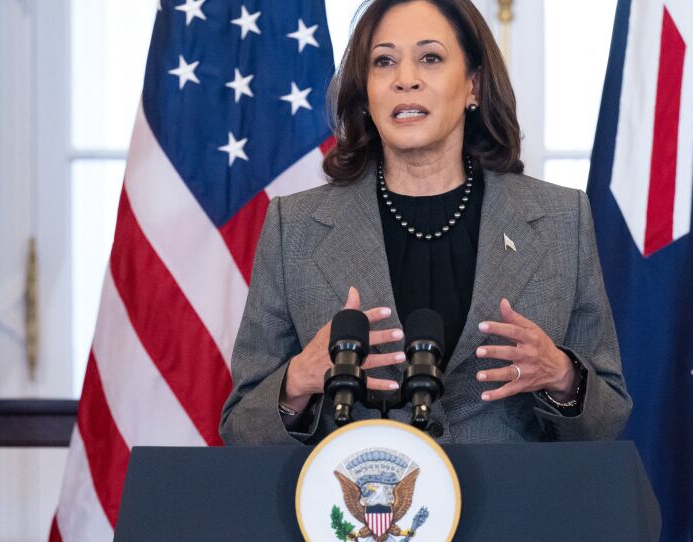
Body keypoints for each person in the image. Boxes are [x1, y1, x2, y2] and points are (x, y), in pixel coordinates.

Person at [219, 0, 631, 445]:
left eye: (430, 58)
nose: (406, 79)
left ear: (473, 85)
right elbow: (241, 426)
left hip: (515, 506)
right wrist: (297, 380)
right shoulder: (293, 227)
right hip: (363, 506)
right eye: (384, 62)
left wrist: (562, 375)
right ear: (366, 94)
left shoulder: (560, 219)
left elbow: (608, 418)